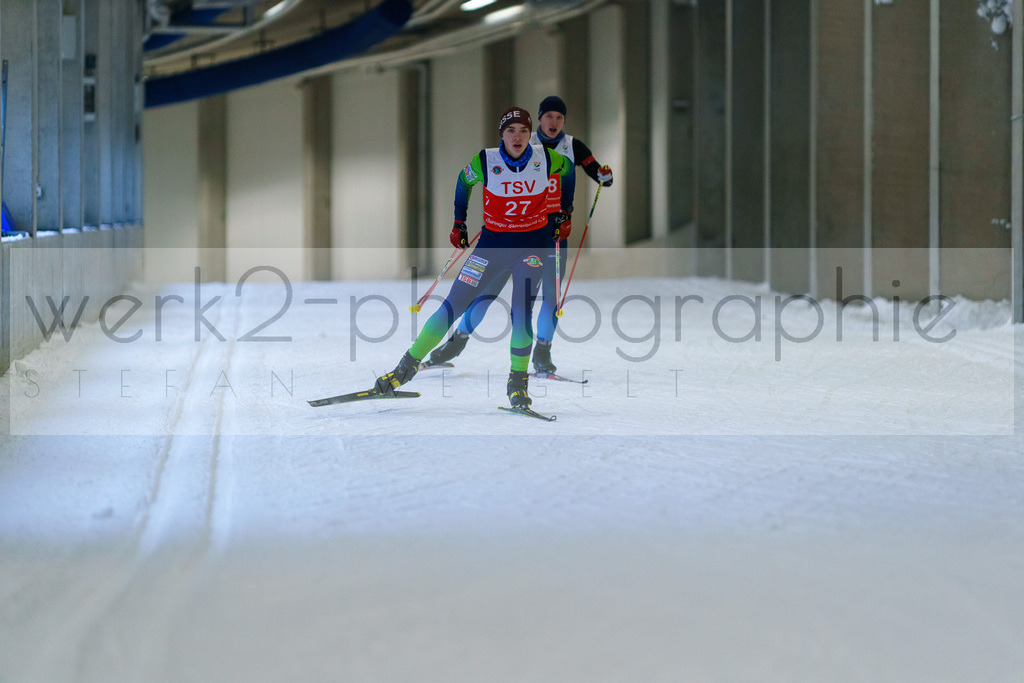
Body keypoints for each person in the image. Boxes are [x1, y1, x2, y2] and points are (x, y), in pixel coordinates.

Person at [373, 105, 572, 409]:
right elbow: (463, 182)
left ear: (529, 135)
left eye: (523, 131)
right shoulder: (485, 160)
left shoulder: (544, 157)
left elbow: (569, 169)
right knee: (454, 304)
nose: (517, 137)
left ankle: (517, 386)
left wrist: (563, 212)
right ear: (501, 135)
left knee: (521, 314)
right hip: (491, 247)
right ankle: (405, 368)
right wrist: (458, 222)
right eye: (510, 131)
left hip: (532, 248)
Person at [424, 95, 613, 376]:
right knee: (488, 292)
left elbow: (592, 169)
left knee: (549, 295)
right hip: (514, 230)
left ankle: (542, 354)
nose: (554, 122)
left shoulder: (571, 146)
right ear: (538, 119)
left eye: (559, 117)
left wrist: (601, 178)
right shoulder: (523, 139)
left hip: (551, 232)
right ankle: (455, 343)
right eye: (548, 116)